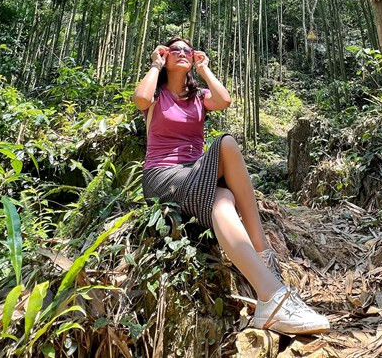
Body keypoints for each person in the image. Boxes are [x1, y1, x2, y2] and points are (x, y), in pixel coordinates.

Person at [133, 37, 330, 335]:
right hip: (162, 175)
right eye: (175, 50)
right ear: (165, 56)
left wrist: (204, 69)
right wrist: (155, 65)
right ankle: (266, 263)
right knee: (226, 143)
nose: (183, 53)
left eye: (188, 50)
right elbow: (140, 100)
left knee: (223, 197)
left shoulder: (198, 96)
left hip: (193, 172)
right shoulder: (156, 94)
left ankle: (269, 295)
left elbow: (224, 100)